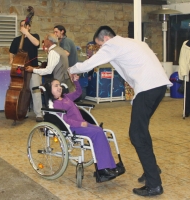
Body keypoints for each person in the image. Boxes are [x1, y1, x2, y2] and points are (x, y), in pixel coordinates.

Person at [68, 26, 172, 196]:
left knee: (137, 135)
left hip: (148, 88)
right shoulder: (131, 42)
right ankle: (152, 170)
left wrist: (72, 69)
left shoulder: (112, 45)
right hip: (158, 87)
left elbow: (90, 63)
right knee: (142, 131)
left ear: (106, 39)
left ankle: (154, 184)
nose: (100, 48)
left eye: (99, 44)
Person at [45, 75, 125, 182]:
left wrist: (76, 81)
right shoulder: (56, 104)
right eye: (56, 86)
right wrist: (80, 124)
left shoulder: (66, 97)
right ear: (50, 90)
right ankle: (102, 170)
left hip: (82, 123)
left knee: (100, 131)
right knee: (97, 134)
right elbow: (65, 120)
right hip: (73, 127)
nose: (59, 87)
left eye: (59, 85)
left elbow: (78, 92)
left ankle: (110, 166)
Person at [9, 20, 43, 122]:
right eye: (21, 26)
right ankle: (23, 112)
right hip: (21, 70)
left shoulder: (35, 36)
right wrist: (11, 59)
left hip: (33, 69)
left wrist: (27, 33)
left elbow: (37, 44)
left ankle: (39, 113)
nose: (23, 27)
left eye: (25, 25)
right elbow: (11, 52)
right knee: (22, 92)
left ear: (29, 27)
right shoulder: (16, 40)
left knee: (35, 91)